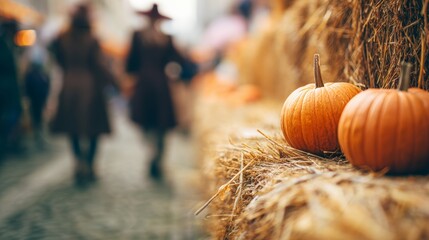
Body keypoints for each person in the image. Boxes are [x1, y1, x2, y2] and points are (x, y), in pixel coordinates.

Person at [49, 4, 117, 185]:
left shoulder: (63, 38)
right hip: (90, 86)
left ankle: (79, 162)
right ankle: (90, 164)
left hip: (69, 85)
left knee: (73, 128)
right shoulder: (92, 39)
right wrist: (114, 81)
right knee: (94, 128)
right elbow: (99, 65)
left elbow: (58, 60)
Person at [125, 4, 189, 179]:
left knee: (146, 122)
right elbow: (180, 61)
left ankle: (151, 150)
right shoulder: (166, 38)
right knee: (162, 123)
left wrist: (130, 77)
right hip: (161, 85)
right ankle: (157, 155)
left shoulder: (138, 35)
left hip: (144, 85)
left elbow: (131, 63)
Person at [0, 18, 23, 159]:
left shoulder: (10, 45)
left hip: (10, 89)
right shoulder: (3, 45)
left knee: (13, 115)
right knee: (8, 117)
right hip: (5, 89)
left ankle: (9, 143)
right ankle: (5, 144)